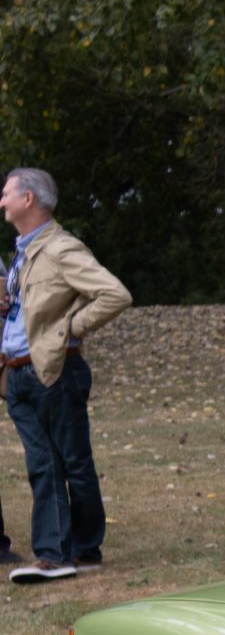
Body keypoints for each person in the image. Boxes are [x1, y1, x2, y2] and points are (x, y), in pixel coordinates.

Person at [3, 167, 131, 583]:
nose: (1, 201)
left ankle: (79, 550)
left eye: (6, 193)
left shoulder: (60, 248)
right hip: (18, 375)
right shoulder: (24, 252)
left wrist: (70, 329)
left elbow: (114, 294)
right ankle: (57, 554)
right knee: (43, 465)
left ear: (28, 200)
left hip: (54, 370)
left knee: (72, 462)